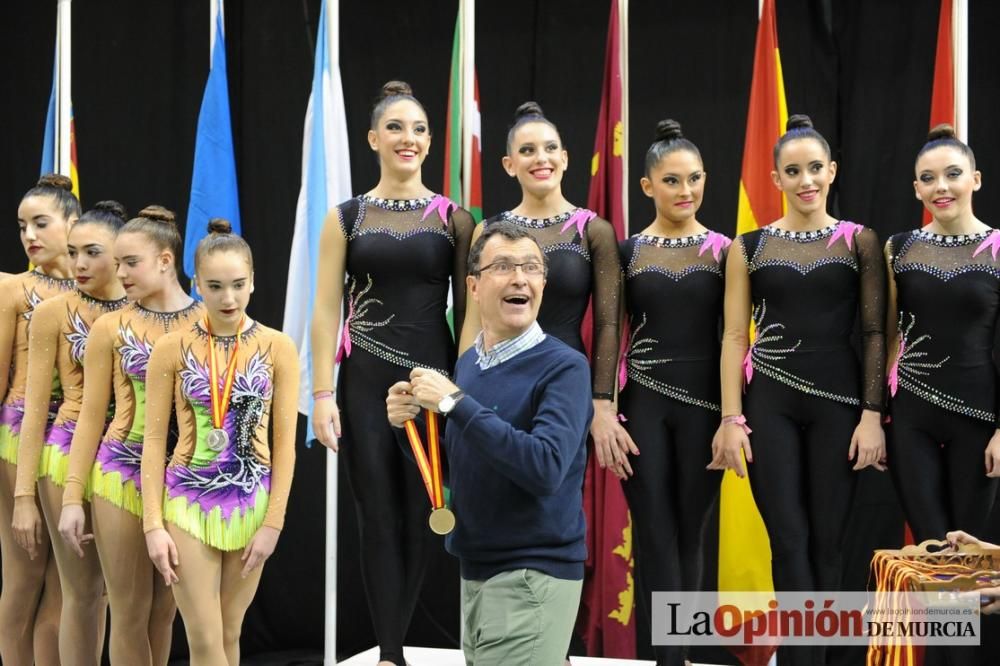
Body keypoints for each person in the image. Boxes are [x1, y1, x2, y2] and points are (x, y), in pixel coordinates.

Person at [709, 115, 886, 665]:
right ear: (775, 178)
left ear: (832, 171)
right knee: (787, 541)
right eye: (793, 170)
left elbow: (878, 332)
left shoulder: (859, 241)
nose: (805, 179)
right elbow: (735, 335)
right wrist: (731, 419)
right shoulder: (749, 246)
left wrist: (872, 414)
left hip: (840, 407)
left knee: (828, 542)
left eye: (814, 168)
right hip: (771, 406)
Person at [309, 80, 474, 666]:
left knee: (420, 512)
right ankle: (390, 654)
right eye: (398, 128)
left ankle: (395, 645)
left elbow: (472, 309)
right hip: (363, 386)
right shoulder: (346, 216)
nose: (410, 139)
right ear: (374, 138)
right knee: (376, 515)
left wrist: (463, 388)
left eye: (420, 129)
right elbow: (326, 307)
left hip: (434, 379)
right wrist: (322, 393)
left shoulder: (455, 218)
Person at [387, 221, 592, 664]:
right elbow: (467, 460)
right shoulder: (470, 365)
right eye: (503, 266)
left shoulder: (566, 369)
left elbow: (545, 468)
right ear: (474, 286)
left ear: (542, 282)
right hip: (477, 573)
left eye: (532, 268)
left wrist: (455, 402)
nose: (520, 277)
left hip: (532, 575)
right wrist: (412, 432)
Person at [142, 219, 298, 666]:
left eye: (237, 285)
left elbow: (284, 445)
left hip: (252, 500)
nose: (227, 298)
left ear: (253, 281)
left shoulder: (278, 346)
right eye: (214, 286)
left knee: (230, 632)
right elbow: (154, 441)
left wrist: (274, 524)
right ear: (196, 285)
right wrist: (154, 524)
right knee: (206, 638)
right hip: (187, 498)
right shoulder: (171, 348)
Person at [60, 205, 202, 666]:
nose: (119, 273)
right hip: (120, 472)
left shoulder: (208, 322)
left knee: (165, 614)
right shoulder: (111, 327)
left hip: (183, 479)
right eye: (116, 262)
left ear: (165, 260)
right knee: (127, 612)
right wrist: (70, 499)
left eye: (130, 263)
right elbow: (89, 416)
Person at [459, 101, 634, 477]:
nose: (542, 158)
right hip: (499, 379)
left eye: (550, 148)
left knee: (555, 486)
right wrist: (464, 387)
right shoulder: (487, 231)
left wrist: (601, 403)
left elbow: (608, 324)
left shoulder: (594, 231)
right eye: (527, 150)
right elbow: (473, 322)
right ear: (509, 165)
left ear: (566, 158)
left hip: (565, 384)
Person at [619, 120, 726, 666]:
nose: (685, 192)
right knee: (655, 534)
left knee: (691, 533)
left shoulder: (726, 252)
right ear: (647, 186)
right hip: (642, 406)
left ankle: (681, 655)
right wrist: (604, 411)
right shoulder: (627, 251)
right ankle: (664, 659)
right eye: (671, 181)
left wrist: (735, 418)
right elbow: (608, 337)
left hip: (705, 411)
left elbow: (736, 339)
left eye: (694, 179)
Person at [12, 201, 128, 665]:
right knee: (81, 593)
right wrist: (24, 497)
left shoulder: (144, 311)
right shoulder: (54, 313)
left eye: (91, 253)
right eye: (73, 253)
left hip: (126, 455)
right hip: (64, 453)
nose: (78, 265)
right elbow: (34, 410)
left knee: (120, 599)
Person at [885, 125, 1000, 543]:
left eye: (953, 174)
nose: (942, 187)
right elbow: (885, 334)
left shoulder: (998, 248)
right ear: (916, 189)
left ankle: (961, 614)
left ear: (976, 179)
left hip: (980, 417)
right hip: (910, 417)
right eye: (929, 179)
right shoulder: (898, 248)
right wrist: (876, 414)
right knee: (932, 547)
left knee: (965, 551)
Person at [0, 173, 79, 665]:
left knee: (68, 583)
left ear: (72, 222)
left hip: (74, 437)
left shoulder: (98, 286)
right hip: (18, 435)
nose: (29, 235)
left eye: (40, 223)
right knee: (24, 574)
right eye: (22, 225)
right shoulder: (11, 289)